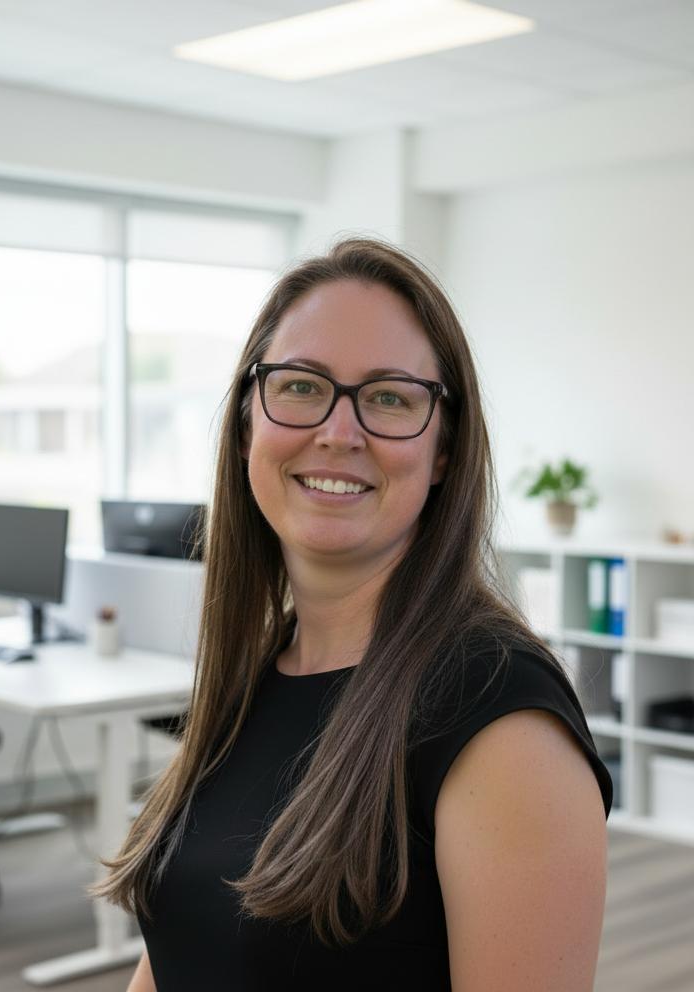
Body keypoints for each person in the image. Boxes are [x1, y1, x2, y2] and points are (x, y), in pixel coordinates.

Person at [95, 238, 611, 992]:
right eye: (302, 386)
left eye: (391, 397)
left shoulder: (501, 723)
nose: (339, 432)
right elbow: (181, 951)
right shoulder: (260, 668)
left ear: (443, 451)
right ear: (246, 424)